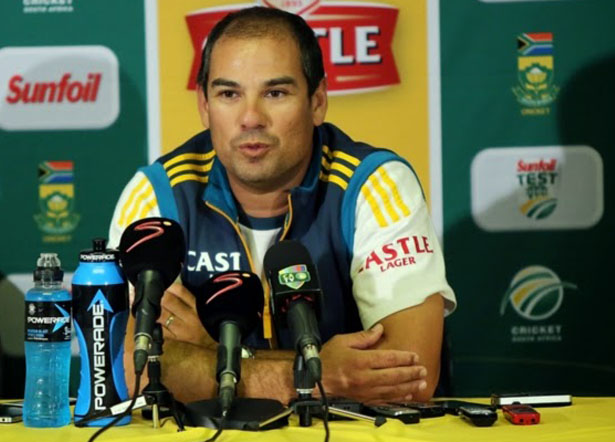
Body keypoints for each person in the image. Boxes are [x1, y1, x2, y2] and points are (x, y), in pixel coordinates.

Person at [109, 6, 456, 406]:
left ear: (318, 101)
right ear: (204, 105)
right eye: (228, 94)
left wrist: (209, 354)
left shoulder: (374, 184)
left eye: (275, 93)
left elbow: (411, 374)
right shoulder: (159, 195)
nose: (251, 118)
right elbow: (128, 369)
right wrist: (316, 374)